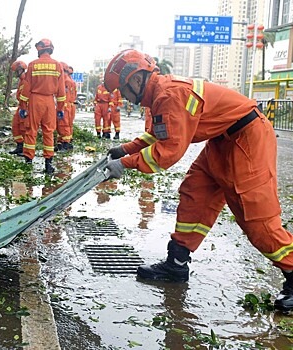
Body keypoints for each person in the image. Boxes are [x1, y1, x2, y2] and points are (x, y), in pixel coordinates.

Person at [102, 48, 293, 312]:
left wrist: (124, 163)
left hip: (247, 139)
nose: (122, 95)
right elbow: (161, 134)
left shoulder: (169, 95)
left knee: (257, 220)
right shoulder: (160, 94)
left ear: (135, 79)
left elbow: (166, 154)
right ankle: (177, 264)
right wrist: (126, 149)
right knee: (196, 194)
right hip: (224, 139)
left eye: (122, 89)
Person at [19, 38, 66, 174]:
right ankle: (48, 164)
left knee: (31, 130)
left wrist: (23, 106)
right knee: (49, 131)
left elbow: (26, 88)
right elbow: (61, 91)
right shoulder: (58, 66)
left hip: (35, 100)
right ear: (50, 49)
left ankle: (28, 161)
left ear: (39, 49)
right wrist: (60, 108)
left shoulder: (33, 65)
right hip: (49, 102)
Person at [9, 60, 28, 156]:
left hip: (26, 107)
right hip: (21, 106)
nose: (16, 72)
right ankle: (19, 146)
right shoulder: (21, 81)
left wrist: (25, 108)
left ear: (21, 70)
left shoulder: (26, 80)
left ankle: (26, 149)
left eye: (17, 70)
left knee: (24, 128)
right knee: (15, 125)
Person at [55, 62, 74, 152]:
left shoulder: (66, 81)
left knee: (64, 124)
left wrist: (62, 106)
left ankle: (65, 143)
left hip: (64, 105)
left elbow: (65, 95)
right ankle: (61, 142)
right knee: (60, 125)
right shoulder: (64, 80)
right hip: (63, 105)